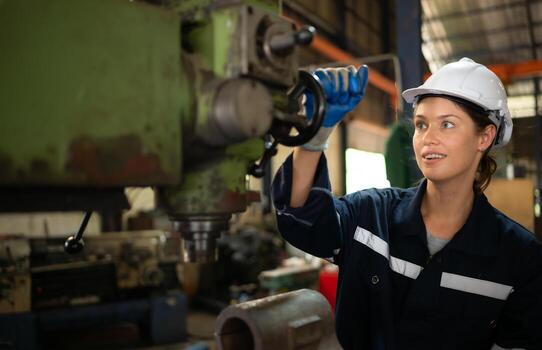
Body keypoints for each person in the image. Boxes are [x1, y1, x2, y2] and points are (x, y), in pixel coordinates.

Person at [271, 58, 542, 350]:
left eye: (447, 124)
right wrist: (315, 136)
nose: (428, 139)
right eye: (421, 124)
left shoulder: (520, 258)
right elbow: (301, 220)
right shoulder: (370, 215)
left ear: (485, 136)